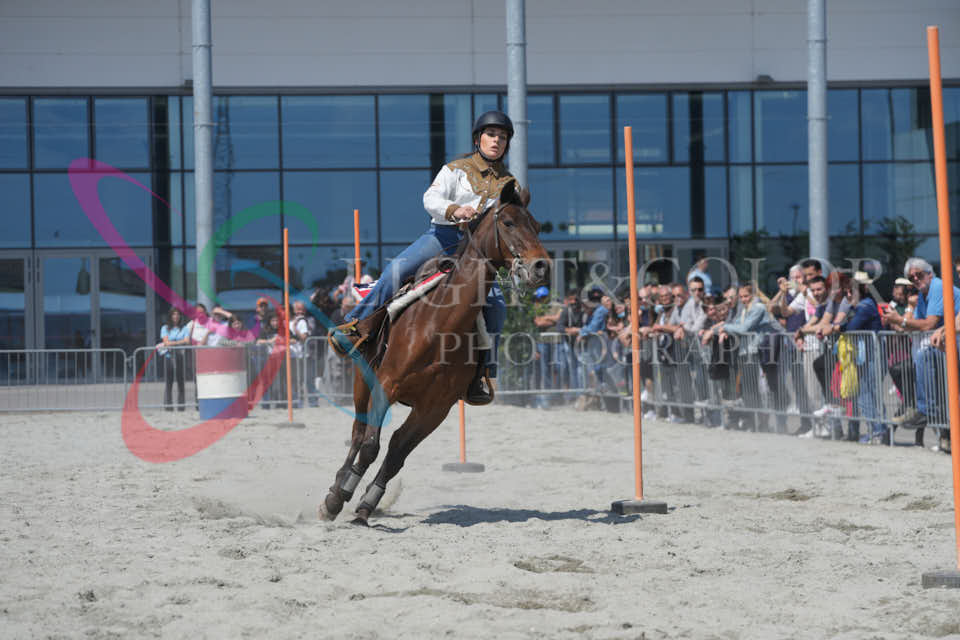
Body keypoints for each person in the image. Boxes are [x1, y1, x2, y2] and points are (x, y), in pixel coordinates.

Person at [335, 111, 517, 405]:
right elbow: (430, 199)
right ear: (478, 139)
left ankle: (482, 374)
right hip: (443, 238)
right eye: (491, 134)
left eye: (503, 137)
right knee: (396, 271)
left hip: (478, 254)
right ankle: (355, 325)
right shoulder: (455, 170)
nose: (497, 140)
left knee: (496, 307)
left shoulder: (510, 185)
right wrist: (455, 210)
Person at [883, 258, 960, 449]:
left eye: (919, 275)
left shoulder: (937, 287)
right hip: (938, 347)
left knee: (924, 360)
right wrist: (906, 313)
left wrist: (900, 320)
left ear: (930, 273)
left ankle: (925, 413)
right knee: (909, 367)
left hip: (947, 345)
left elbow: (927, 324)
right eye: (912, 278)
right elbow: (908, 327)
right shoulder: (922, 294)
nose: (916, 279)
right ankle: (925, 414)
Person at [159, 307, 191, 411]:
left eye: (177, 314)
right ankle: (168, 406)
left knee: (181, 382)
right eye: (174, 314)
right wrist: (179, 342)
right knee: (169, 382)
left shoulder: (184, 328)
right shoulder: (165, 328)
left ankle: (181, 406)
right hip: (169, 356)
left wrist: (173, 343)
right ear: (170, 316)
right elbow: (166, 342)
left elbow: (187, 341)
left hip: (180, 356)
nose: (176, 316)